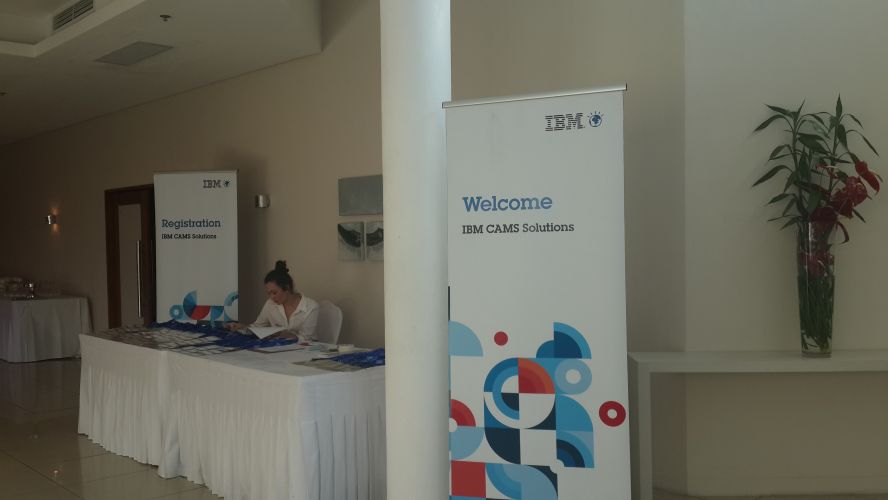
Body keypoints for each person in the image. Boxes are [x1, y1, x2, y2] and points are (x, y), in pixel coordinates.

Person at [226, 260, 319, 340]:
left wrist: (288, 336)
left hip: (306, 351)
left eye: (274, 293)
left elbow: (307, 339)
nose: (271, 297)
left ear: (287, 288)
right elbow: (258, 327)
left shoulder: (310, 306)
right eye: (268, 293)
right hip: (279, 350)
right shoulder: (270, 304)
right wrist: (242, 327)